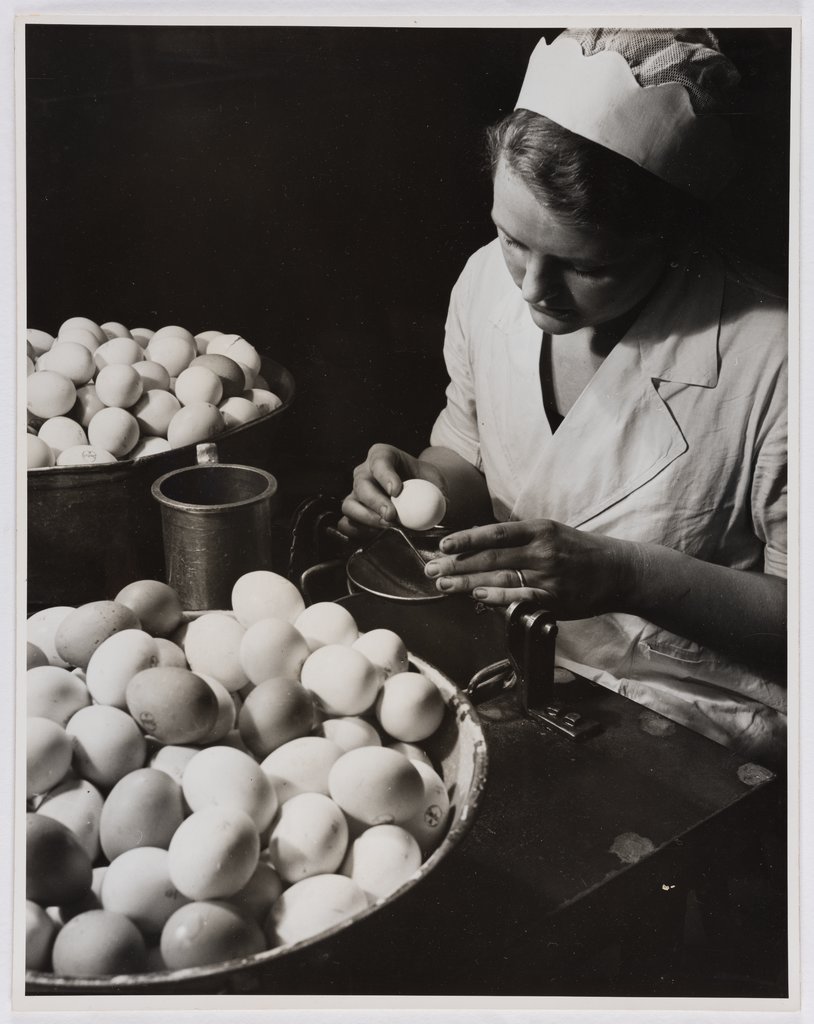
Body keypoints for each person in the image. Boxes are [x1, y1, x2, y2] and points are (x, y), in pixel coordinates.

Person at [339, 29, 787, 765]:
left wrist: (626, 574)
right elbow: (468, 455)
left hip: (704, 730)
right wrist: (421, 486)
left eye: (588, 266)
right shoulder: (486, 280)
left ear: (673, 237)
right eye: (513, 239)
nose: (533, 288)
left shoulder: (776, 358)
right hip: (523, 672)